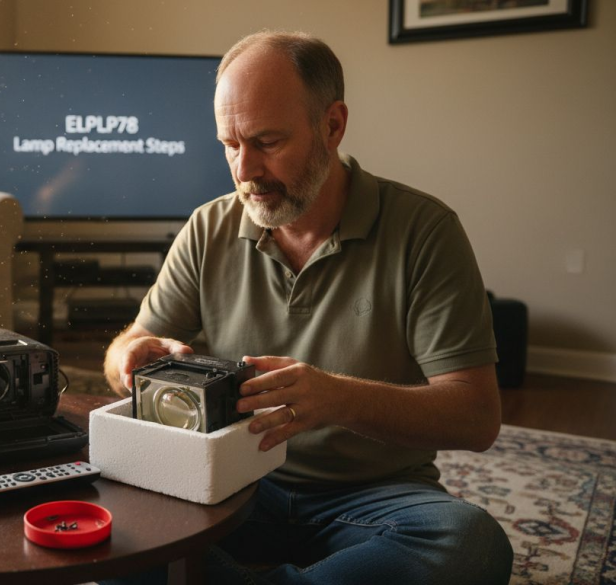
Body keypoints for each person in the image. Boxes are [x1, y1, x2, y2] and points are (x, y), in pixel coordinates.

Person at [103, 31, 514, 584]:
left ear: (333, 125)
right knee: (104, 515)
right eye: (230, 143)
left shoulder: (424, 231)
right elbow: (130, 345)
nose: (244, 169)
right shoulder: (209, 227)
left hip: (374, 501)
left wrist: (336, 399)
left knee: (470, 544)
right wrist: (130, 356)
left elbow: (476, 417)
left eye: (267, 142)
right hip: (231, 484)